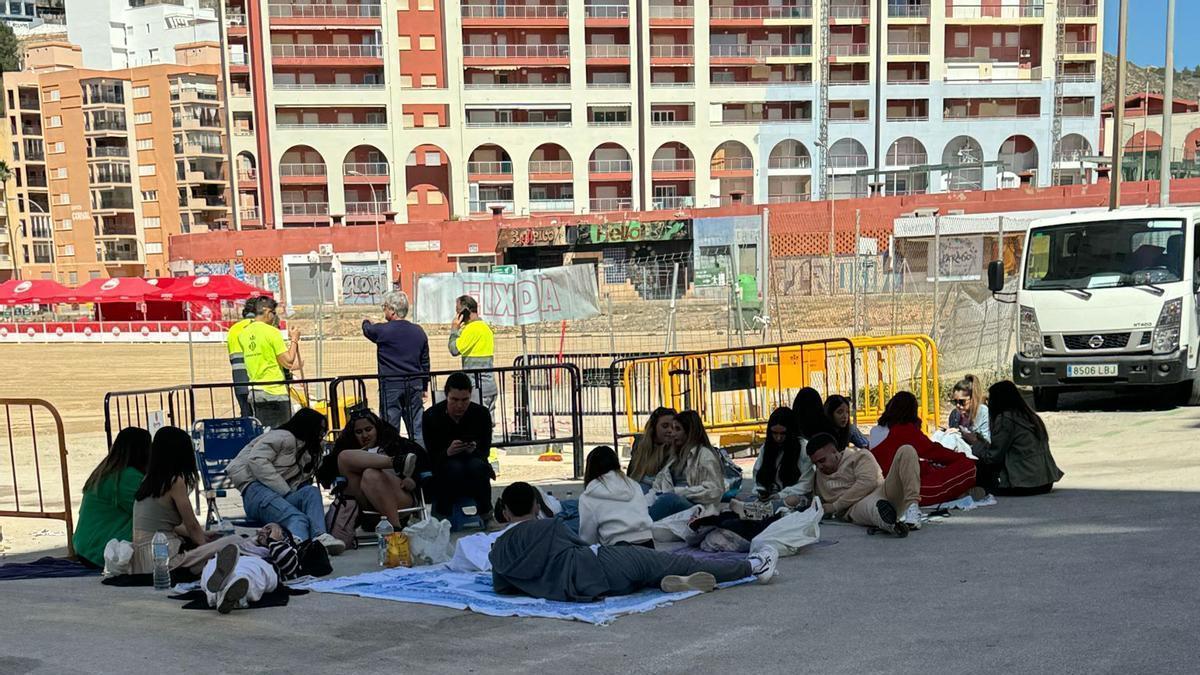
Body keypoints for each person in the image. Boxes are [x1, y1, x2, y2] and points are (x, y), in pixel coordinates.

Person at [490, 482, 777, 602]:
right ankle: (753, 567)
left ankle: (665, 581)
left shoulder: (499, 552)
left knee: (643, 571)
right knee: (678, 560)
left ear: (505, 511)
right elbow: (581, 547)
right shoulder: (550, 527)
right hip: (600, 567)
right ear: (536, 506)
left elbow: (503, 587)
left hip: (585, 591)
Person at [226, 408, 345, 555]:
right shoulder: (282, 437)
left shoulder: (309, 449)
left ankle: (319, 537)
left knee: (311, 492)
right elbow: (257, 460)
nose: (323, 434)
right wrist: (285, 491)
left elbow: (302, 481)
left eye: (324, 430)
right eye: (320, 429)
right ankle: (295, 553)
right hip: (255, 491)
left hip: (279, 494)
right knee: (297, 519)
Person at [318, 409, 427, 528]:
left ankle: (395, 528)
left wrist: (413, 480)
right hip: (365, 503)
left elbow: (424, 467)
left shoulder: (396, 445)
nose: (365, 435)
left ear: (377, 428)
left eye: (368, 429)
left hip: (399, 498)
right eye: (359, 432)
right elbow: (325, 476)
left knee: (370, 474)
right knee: (344, 456)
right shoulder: (349, 449)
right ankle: (395, 462)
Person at [869, 391, 978, 509]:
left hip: (882, 487)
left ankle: (959, 490)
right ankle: (960, 491)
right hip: (906, 493)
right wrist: (963, 459)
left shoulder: (874, 431)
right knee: (969, 467)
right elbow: (935, 452)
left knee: (926, 467)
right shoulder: (905, 430)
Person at [131, 426, 213, 573]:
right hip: (166, 559)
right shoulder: (175, 481)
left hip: (142, 560)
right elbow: (192, 525)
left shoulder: (148, 479)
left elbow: (166, 525)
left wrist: (203, 536)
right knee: (232, 542)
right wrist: (207, 550)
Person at [809, 432, 919, 537]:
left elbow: (868, 482)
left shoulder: (859, 456)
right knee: (871, 508)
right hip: (855, 508)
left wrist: (835, 506)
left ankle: (912, 507)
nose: (819, 466)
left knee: (906, 450)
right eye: (815, 463)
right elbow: (813, 501)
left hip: (882, 491)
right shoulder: (817, 476)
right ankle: (892, 524)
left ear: (834, 451)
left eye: (822, 460)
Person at [73, 427, 152, 568]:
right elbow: (151, 516)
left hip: (85, 548)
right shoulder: (128, 477)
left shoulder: (106, 471)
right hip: (103, 551)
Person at [422, 372, 495, 521]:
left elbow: (485, 450)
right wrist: (447, 452)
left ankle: (487, 515)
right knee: (453, 468)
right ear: (446, 396)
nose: (459, 405)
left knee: (478, 467)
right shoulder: (431, 416)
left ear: (470, 396)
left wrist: (474, 449)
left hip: (474, 460)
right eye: (454, 400)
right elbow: (431, 455)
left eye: (465, 400)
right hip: (444, 464)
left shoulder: (481, 414)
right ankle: (442, 516)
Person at [362, 291, 430, 445]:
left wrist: (366, 321)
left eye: (384, 307)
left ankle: (392, 462)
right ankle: (421, 461)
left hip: (391, 385)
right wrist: (424, 385)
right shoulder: (419, 331)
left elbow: (367, 330)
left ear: (392, 310)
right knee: (417, 428)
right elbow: (425, 362)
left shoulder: (383, 330)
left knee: (390, 429)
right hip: (414, 384)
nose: (384, 310)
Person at [976, 381, 1064, 496]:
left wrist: (975, 443)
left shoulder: (1006, 419)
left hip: (1025, 483)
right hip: (1045, 481)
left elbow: (993, 457)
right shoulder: (1029, 416)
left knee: (977, 467)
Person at [201, 524, 302, 614]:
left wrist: (274, 540)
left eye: (269, 530)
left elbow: (289, 567)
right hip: (233, 561)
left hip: (259, 562)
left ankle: (226, 594)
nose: (263, 531)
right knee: (213, 566)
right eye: (263, 528)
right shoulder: (245, 542)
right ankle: (225, 596)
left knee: (249, 572)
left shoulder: (283, 549)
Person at [648, 411, 725, 521]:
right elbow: (658, 485)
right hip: (672, 501)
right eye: (673, 429)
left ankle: (643, 528)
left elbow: (714, 491)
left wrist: (680, 492)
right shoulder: (674, 458)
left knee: (669, 500)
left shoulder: (705, 456)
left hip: (697, 508)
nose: (672, 434)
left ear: (690, 432)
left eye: (678, 429)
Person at [239, 296, 301, 429]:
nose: (274, 317)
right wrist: (294, 340)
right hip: (275, 393)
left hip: (256, 391)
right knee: (283, 434)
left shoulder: (243, 334)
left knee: (264, 433)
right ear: (267, 312)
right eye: (274, 313)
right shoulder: (272, 332)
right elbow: (288, 361)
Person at [738, 407, 814, 515]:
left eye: (783, 434)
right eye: (774, 433)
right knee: (746, 499)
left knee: (793, 501)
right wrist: (762, 492)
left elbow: (806, 485)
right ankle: (762, 509)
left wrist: (780, 495)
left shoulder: (803, 449)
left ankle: (765, 510)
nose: (778, 438)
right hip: (770, 496)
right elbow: (758, 476)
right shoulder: (766, 448)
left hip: (791, 495)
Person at [578, 446, 654, 547]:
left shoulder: (588, 495)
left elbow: (588, 538)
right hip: (648, 544)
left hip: (618, 550)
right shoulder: (634, 485)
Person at [448, 294, 496, 412]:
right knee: (488, 426)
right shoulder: (485, 328)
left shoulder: (471, 330)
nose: (457, 316)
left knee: (476, 426)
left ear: (465, 311)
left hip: (478, 390)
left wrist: (454, 329)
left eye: (458, 311)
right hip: (490, 387)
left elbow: (454, 349)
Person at [626, 406, 678, 491]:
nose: (670, 430)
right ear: (653, 428)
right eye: (665, 426)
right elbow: (631, 475)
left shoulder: (678, 451)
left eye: (674, 427)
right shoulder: (640, 447)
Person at [227, 297, 259, 418]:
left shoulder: (233, 329)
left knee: (246, 417)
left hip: (239, 379)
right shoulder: (260, 327)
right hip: (260, 381)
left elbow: (231, 358)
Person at [947, 375, 991, 451]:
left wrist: (962, 434)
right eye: (955, 402)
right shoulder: (954, 414)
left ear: (972, 399)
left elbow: (987, 442)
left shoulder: (983, 413)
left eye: (962, 402)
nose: (958, 405)